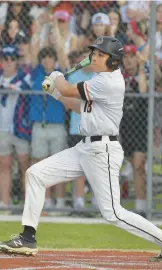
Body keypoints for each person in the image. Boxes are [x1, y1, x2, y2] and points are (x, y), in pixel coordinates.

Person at [1, 36, 162, 263]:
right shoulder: (98, 78)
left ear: (113, 61)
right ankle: (28, 237)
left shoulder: (108, 81)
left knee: (113, 213)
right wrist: (55, 93)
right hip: (84, 147)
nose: (94, 57)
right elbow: (76, 105)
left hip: (102, 151)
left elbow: (67, 89)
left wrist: (57, 77)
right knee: (35, 174)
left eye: (100, 55)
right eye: (94, 53)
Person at [0, 45, 31, 208]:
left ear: (17, 61)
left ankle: (28, 204)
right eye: (5, 59)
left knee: (24, 165)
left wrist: (10, 87)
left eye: (12, 59)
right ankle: (4, 203)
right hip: (2, 129)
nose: (9, 62)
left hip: (20, 128)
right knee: (4, 165)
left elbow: (25, 89)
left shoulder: (24, 77)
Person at [120, 45, 148, 217]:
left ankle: (141, 206)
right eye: (126, 57)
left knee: (138, 166)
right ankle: (138, 203)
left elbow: (143, 91)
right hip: (124, 125)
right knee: (133, 163)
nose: (128, 60)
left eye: (132, 57)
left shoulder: (141, 75)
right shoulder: (119, 76)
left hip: (140, 126)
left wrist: (142, 68)